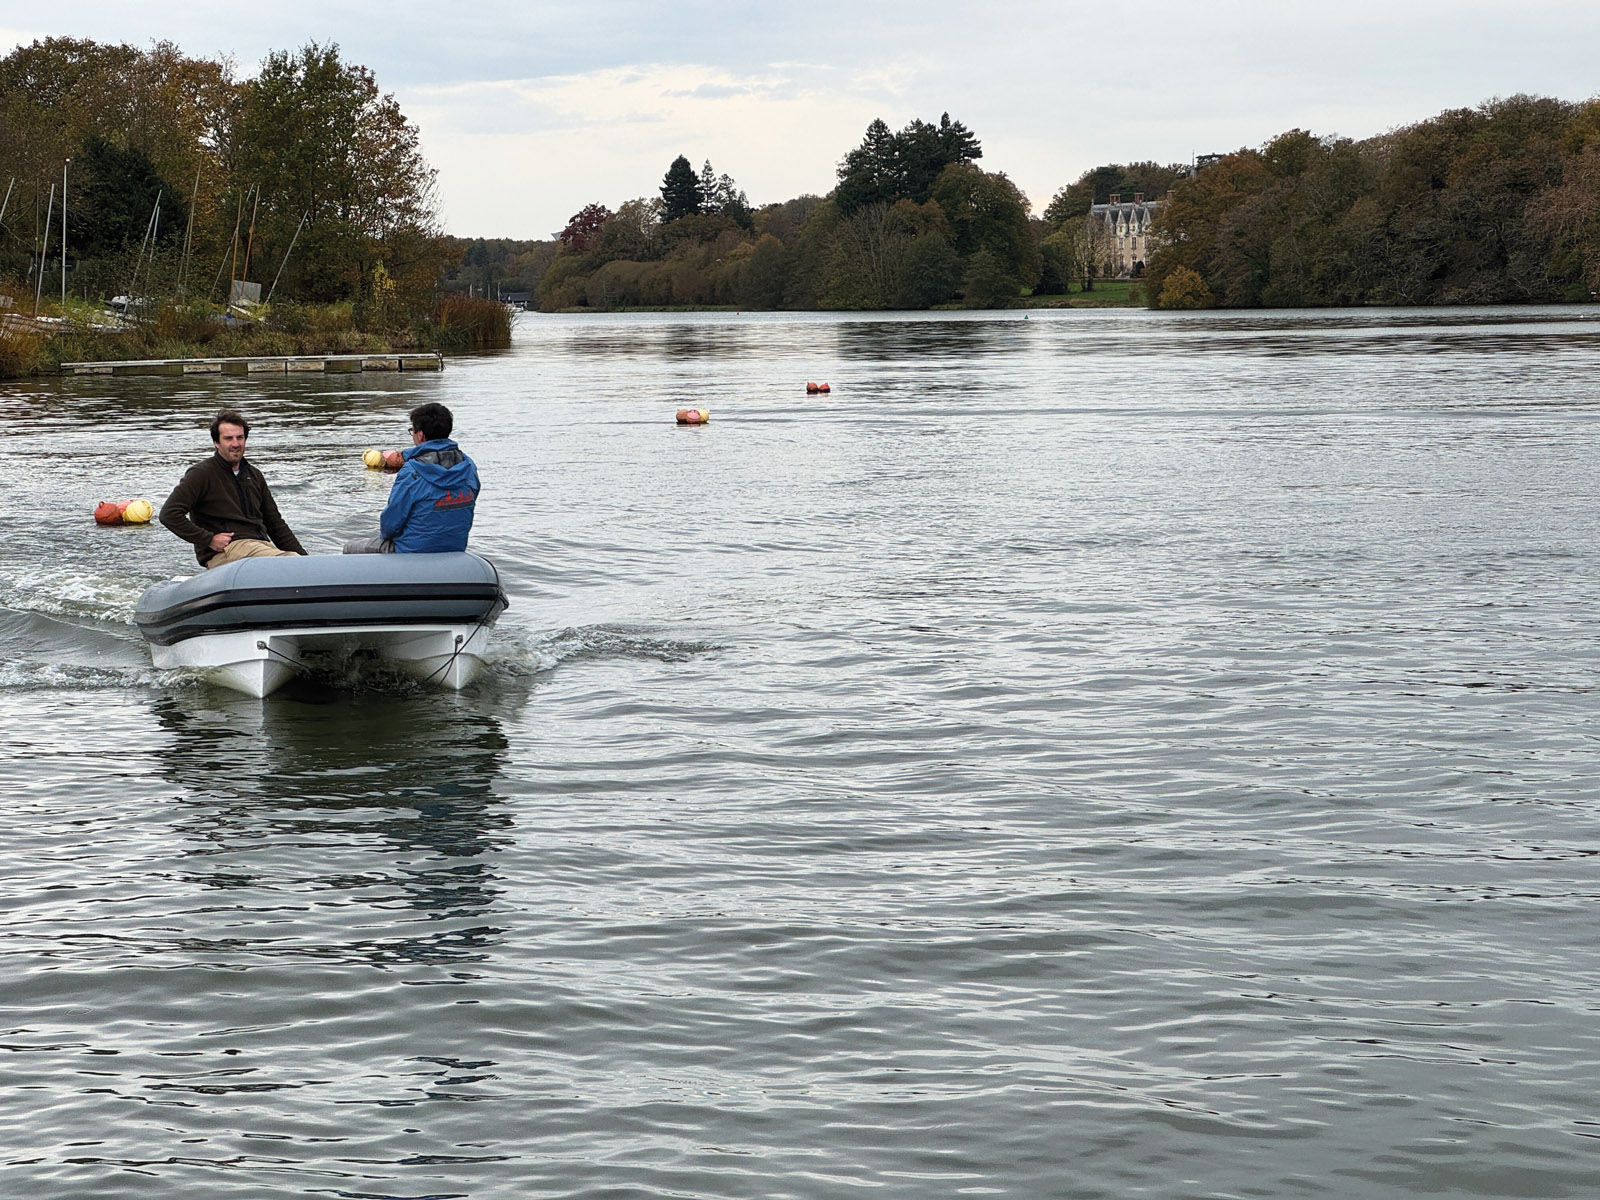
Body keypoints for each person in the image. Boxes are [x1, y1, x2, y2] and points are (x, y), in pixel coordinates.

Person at [160, 409, 307, 568]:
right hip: (226, 552)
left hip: (260, 546)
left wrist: (308, 561)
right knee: (289, 562)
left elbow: (275, 524)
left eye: (240, 437)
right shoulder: (201, 474)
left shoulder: (254, 475)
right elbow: (169, 514)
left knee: (298, 561)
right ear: (216, 443)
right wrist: (209, 539)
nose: (235, 444)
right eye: (228, 438)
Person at [344, 402, 478, 554]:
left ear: (420, 435)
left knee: (350, 548)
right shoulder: (469, 466)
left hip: (412, 550)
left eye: (412, 431)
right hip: (455, 547)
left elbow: (390, 526)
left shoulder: (411, 471)